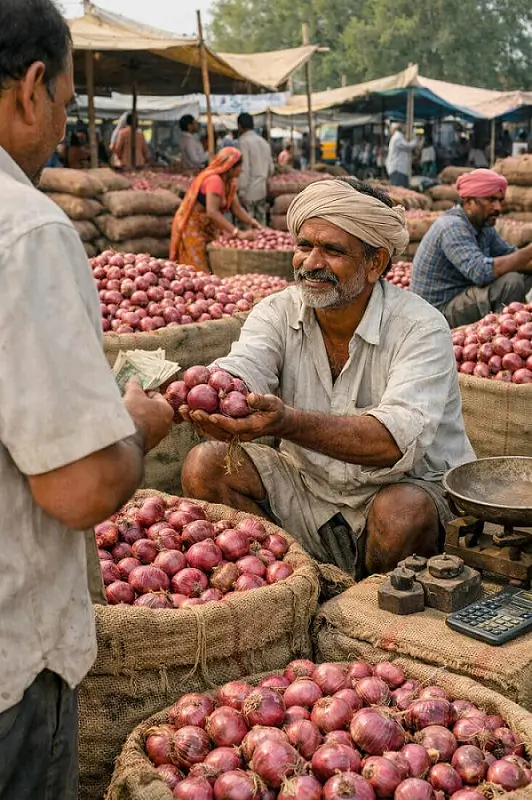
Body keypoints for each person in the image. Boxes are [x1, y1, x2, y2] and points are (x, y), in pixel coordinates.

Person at [0, 1, 174, 796]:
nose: (62, 130)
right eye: (67, 107)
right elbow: (77, 488)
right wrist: (136, 426)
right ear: (31, 88)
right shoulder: (26, 233)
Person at [177, 177, 475, 577]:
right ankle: (292, 583)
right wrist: (209, 388)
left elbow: (392, 442)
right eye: (304, 246)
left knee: (401, 513)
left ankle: (365, 609)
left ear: (376, 263)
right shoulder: (277, 312)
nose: (311, 263)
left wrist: (289, 423)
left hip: (404, 488)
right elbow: (244, 367)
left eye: (332, 250)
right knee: (204, 466)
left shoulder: (421, 327)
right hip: (310, 487)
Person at [411, 169, 532, 327]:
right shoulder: (452, 226)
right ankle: (503, 334)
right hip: (438, 311)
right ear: (468, 202)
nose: (498, 207)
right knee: (511, 283)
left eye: (500, 201)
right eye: (491, 200)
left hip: (461, 298)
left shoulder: (484, 226)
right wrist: (529, 251)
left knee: (525, 273)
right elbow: (480, 272)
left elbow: (511, 256)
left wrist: (526, 260)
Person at [170, 146, 261, 271]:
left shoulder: (229, 183)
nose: (242, 170)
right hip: (193, 227)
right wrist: (237, 233)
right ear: (230, 167)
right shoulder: (214, 181)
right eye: (239, 166)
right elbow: (212, 212)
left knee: (212, 264)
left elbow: (237, 209)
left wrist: (252, 222)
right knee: (197, 269)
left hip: (208, 227)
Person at [236, 112, 274, 225]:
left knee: (248, 226)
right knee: (261, 226)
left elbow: (244, 168)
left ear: (239, 126)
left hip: (249, 191)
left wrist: (241, 191)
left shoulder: (243, 142)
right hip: (262, 190)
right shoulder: (264, 142)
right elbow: (271, 169)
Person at [386, 123, 417, 187]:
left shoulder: (397, 137)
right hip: (398, 169)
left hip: (398, 168)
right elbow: (408, 147)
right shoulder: (398, 137)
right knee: (399, 188)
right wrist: (415, 141)